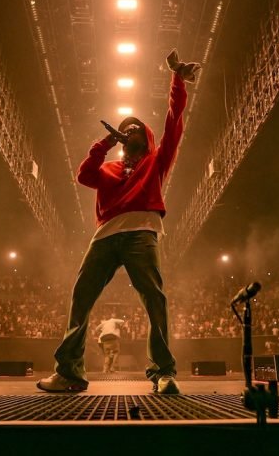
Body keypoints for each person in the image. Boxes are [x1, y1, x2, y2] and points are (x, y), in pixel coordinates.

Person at [37, 49, 199, 394]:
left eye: (137, 127)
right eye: (126, 128)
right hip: (105, 236)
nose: (131, 129)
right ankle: (69, 372)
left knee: (154, 299)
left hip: (142, 232)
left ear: (147, 137)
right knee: (81, 296)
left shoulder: (156, 162)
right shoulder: (109, 168)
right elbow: (83, 175)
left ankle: (164, 372)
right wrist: (105, 142)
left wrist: (177, 80)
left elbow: (174, 120)